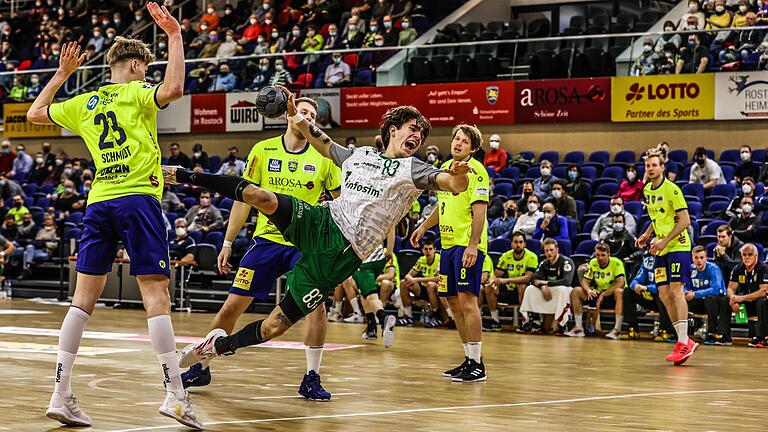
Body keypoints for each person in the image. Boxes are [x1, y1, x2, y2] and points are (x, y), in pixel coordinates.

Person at [170, 96, 474, 388]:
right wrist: (294, 114)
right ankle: (183, 174)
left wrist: (459, 176)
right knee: (259, 196)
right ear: (393, 130)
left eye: (421, 134)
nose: (417, 136)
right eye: (413, 129)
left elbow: (452, 184)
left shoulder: (415, 169)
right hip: (320, 222)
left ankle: (217, 347)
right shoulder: (361, 155)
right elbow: (322, 140)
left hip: (340, 255)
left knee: (274, 326)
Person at [26, 4, 202, 429]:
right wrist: (176, 36)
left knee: (82, 300)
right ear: (137, 66)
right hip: (138, 199)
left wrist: (63, 74)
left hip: (99, 201)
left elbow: (33, 114)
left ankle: (60, 394)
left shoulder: (84, 102)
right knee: (155, 294)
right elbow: (175, 88)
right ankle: (176, 395)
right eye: (145, 69)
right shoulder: (137, 92)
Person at [181, 97, 342, 400]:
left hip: (304, 245)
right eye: (301, 111)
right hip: (266, 241)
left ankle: (311, 376)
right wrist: (228, 242)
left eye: (311, 114)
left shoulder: (325, 159)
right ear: (288, 116)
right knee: (231, 307)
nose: (306, 116)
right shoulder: (263, 150)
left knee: (317, 307)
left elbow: (340, 203)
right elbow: (243, 198)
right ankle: (201, 366)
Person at [411, 124, 489, 383]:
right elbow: (442, 205)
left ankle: (478, 364)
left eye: (464, 141)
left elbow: (480, 212)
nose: (458, 143)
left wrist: (473, 245)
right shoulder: (446, 167)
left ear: (473, 148)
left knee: (468, 301)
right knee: (452, 302)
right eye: (456, 138)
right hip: (447, 244)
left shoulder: (477, 171)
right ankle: (468, 358)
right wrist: (423, 225)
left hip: (467, 245)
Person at [636, 148, 696, 365]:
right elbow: (656, 217)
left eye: (654, 165)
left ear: (662, 168)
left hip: (677, 246)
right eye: (648, 166)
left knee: (675, 290)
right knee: (662, 294)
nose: (650, 169)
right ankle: (684, 340)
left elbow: (685, 221)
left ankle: (682, 341)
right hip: (660, 247)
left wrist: (664, 240)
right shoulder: (647, 190)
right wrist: (646, 235)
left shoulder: (672, 189)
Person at [567, 242, 626, 339]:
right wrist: (589, 290)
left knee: (619, 291)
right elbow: (585, 281)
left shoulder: (616, 263)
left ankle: (617, 330)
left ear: (609, 254)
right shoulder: (593, 262)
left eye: (603, 255)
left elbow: (620, 283)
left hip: (613, 295)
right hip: (598, 293)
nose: (600, 258)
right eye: (597, 255)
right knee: (576, 291)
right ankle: (578, 328)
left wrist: (604, 294)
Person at [520, 238, 574, 334]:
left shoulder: (566, 262)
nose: (549, 253)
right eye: (546, 250)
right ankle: (533, 321)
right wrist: (543, 286)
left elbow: (566, 281)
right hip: (548, 288)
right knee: (530, 289)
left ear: (557, 249)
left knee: (561, 289)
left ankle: (563, 324)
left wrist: (546, 283)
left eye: (551, 250)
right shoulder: (544, 263)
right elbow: (534, 279)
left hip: (566, 289)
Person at [353, 239, 399, 344]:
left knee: (371, 296)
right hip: (379, 257)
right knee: (361, 287)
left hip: (364, 257)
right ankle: (371, 327)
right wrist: (390, 250)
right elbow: (391, 227)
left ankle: (383, 318)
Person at [492, 231, 537, 331]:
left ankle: (526, 321)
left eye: (521, 242)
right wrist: (493, 282)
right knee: (490, 287)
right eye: (515, 242)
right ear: (511, 244)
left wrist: (505, 280)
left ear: (525, 244)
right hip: (509, 289)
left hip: (525, 291)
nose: (518, 245)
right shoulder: (505, 256)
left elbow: (527, 278)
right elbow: (496, 275)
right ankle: (495, 321)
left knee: (522, 285)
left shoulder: (532, 256)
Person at [621, 253, 673, 341]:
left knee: (662, 293)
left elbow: (666, 286)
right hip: (650, 296)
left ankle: (665, 330)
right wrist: (636, 285)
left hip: (665, 299)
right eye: (651, 246)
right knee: (628, 291)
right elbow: (636, 279)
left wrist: (647, 288)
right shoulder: (648, 261)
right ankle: (632, 328)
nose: (652, 248)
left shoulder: (668, 261)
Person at [727, 243, 768, 347]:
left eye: (750, 254)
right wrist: (733, 299)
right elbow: (731, 288)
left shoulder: (763, 268)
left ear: (756, 256)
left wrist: (741, 298)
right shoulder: (738, 268)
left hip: (757, 300)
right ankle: (723, 336)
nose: (747, 257)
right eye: (744, 255)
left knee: (762, 301)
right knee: (723, 300)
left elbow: (764, 291)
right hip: (744, 301)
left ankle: (761, 337)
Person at [687, 246, 729, 345]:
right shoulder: (690, 269)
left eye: (702, 257)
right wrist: (685, 292)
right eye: (696, 258)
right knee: (679, 298)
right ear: (692, 258)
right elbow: (685, 284)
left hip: (716, 302)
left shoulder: (713, 269)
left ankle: (712, 333)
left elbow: (715, 289)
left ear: (706, 258)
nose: (699, 261)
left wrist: (695, 294)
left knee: (710, 299)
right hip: (699, 301)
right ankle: (679, 333)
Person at [399, 239, 441, 327]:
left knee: (431, 285)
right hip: (422, 289)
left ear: (434, 249)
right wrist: (410, 278)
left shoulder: (439, 259)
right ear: (422, 250)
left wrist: (417, 279)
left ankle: (436, 316)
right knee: (403, 283)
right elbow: (408, 275)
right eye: (426, 249)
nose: (428, 251)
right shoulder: (421, 259)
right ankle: (408, 316)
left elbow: (438, 278)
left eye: (430, 249)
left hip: (435, 289)